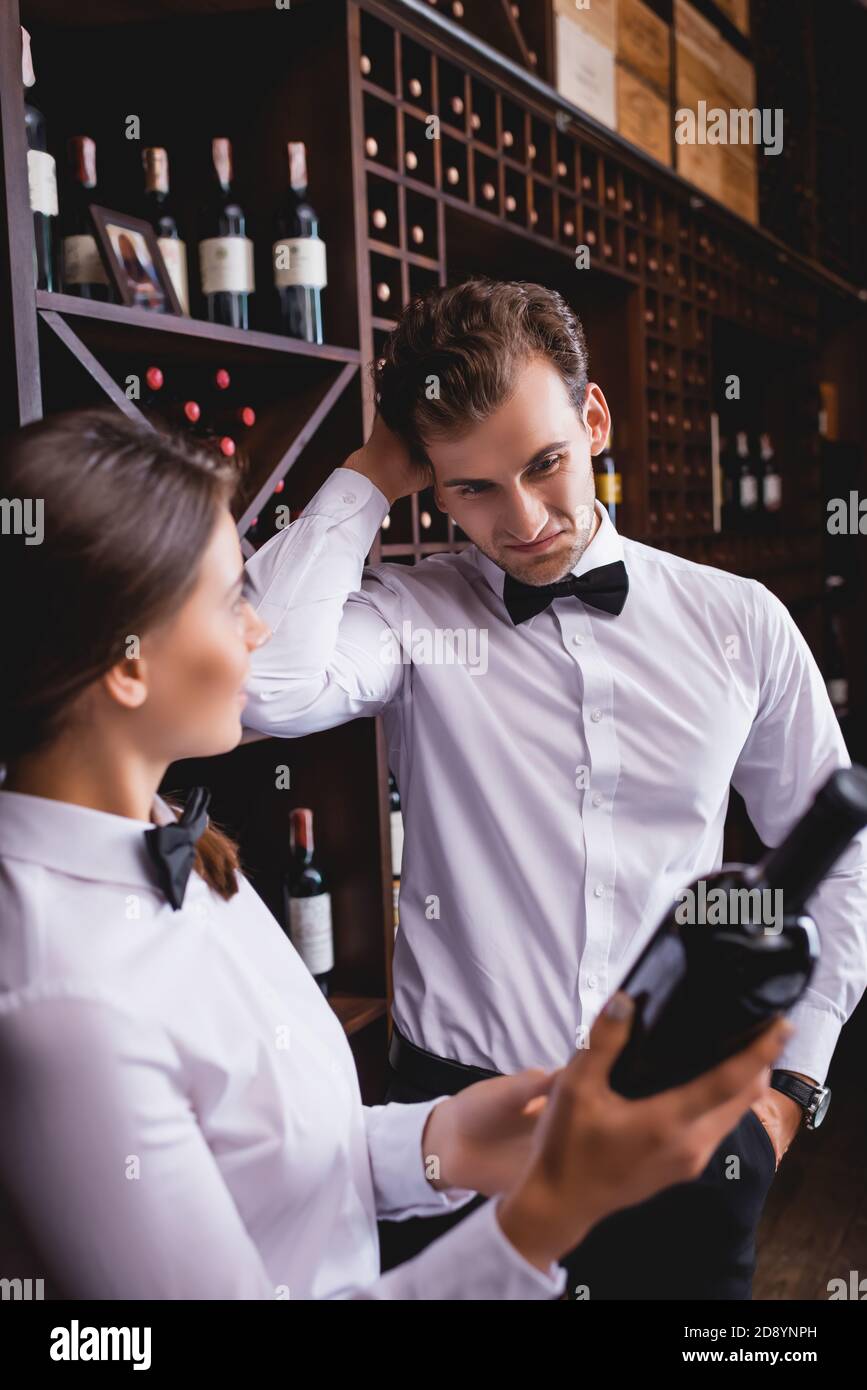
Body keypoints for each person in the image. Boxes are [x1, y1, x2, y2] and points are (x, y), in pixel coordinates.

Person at [0, 408, 792, 1300]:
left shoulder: (183, 850)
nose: (258, 630)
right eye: (231, 599)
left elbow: (275, 1153)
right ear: (129, 664)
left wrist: (440, 1141)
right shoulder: (62, 1001)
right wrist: (546, 1215)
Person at [241, 277, 867, 1299]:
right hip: (456, 1131)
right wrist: (371, 470)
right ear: (432, 485)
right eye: (472, 487)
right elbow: (265, 685)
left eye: (545, 464)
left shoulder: (739, 621)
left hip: (679, 1123)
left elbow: (839, 851)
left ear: (595, 417)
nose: (524, 520)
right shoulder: (408, 615)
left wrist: (794, 1088)